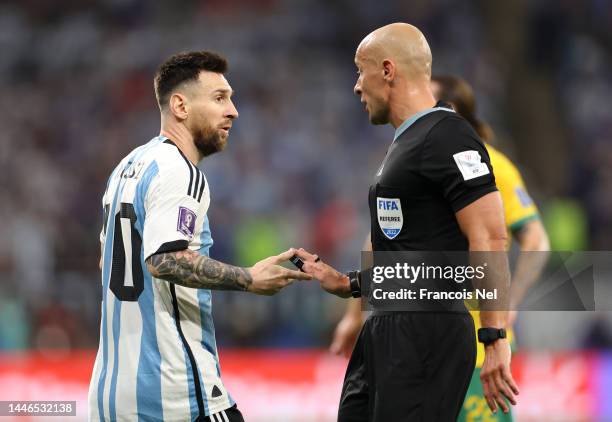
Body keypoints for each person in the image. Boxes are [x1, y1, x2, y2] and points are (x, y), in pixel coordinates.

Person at [294, 23, 518, 421]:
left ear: (387, 70)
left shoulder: (448, 136)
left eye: (359, 71)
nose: (356, 86)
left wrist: (495, 336)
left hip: (426, 332)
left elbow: (490, 235)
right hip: (389, 325)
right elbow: (415, 254)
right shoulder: (407, 144)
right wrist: (351, 285)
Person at [88, 51, 311, 422]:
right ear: (180, 105)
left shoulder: (127, 167)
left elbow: (105, 260)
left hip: (112, 395)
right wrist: (249, 279)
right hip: (176, 394)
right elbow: (163, 260)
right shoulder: (180, 171)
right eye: (220, 98)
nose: (233, 111)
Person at [331, 75, 550, 422]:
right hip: (412, 338)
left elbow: (534, 238)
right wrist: (354, 315)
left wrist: (510, 306)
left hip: (475, 343)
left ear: (453, 112)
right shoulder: (406, 155)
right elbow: (380, 240)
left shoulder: (488, 164)